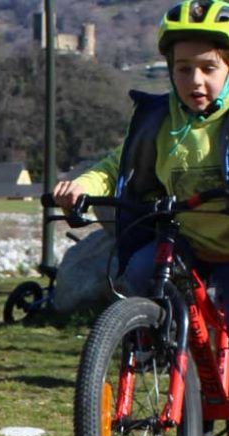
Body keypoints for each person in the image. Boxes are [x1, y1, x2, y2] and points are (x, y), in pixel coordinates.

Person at [53, 0, 229, 302]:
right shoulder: (158, 121)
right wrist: (81, 186)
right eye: (183, 69)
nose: (195, 80)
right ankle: (156, 345)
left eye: (208, 68)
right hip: (181, 244)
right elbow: (114, 166)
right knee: (140, 271)